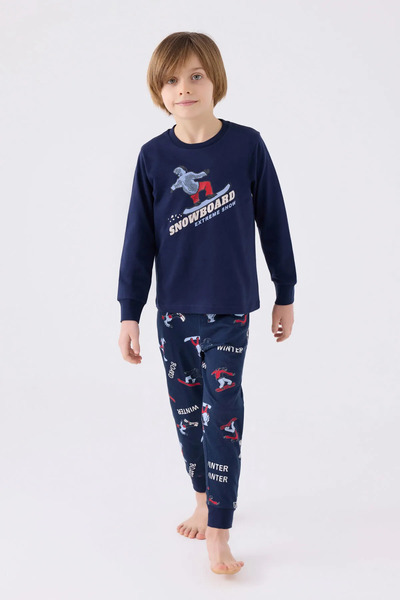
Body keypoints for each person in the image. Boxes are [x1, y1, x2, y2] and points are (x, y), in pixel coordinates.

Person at [117, 31, 297, 575]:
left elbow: (274, 222)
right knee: (188, 416)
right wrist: (129, 311)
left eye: (195, 76)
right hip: (173, 313)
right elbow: (138, 240)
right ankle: (202, 497)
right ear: (159, 90)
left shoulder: (246, 146)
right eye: (172, 80)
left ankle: (219, 529)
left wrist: (285, 293)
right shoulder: (153, 157)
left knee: (223, 416)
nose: (184, 88)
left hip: (229, 311)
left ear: (215, 79)